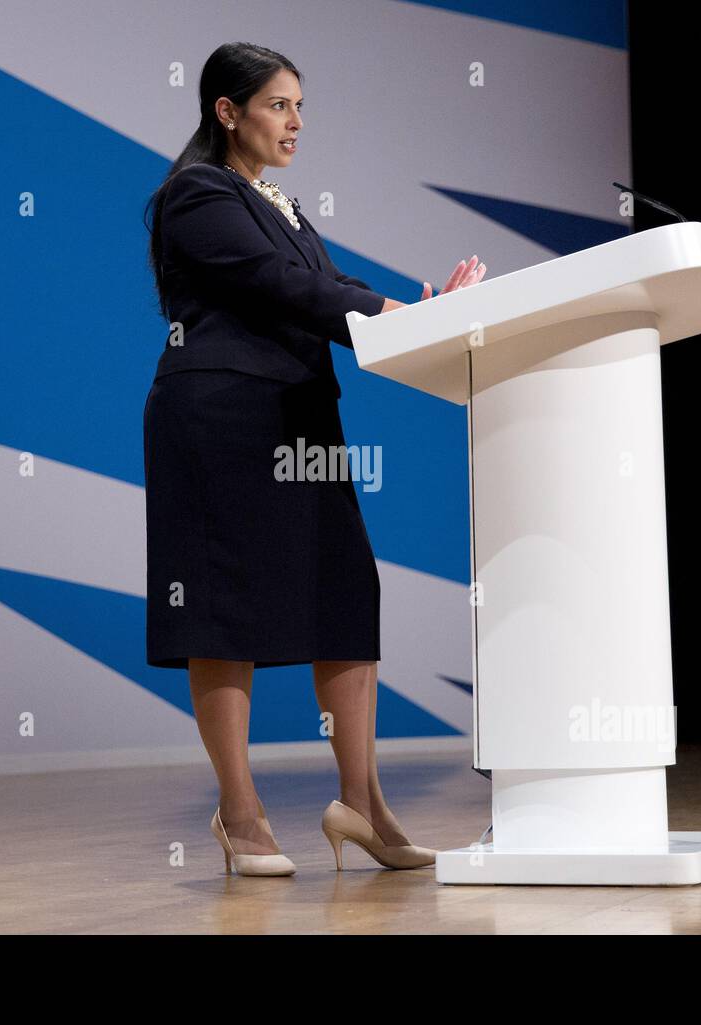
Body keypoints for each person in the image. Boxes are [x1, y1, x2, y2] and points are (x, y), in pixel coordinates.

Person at [142, 42, 486, 876]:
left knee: (344, 592)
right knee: (223, 608)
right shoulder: (196, 194)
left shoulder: (280, 202)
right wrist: (399, 312)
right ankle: (241, 811)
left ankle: (361, 805)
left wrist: (425, 315)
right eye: (278, 105)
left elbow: (328, 285)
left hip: (299, 420)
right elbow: (282, 287)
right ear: (227, 111)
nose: (295, 122)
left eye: (301, 107)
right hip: (217, 421)